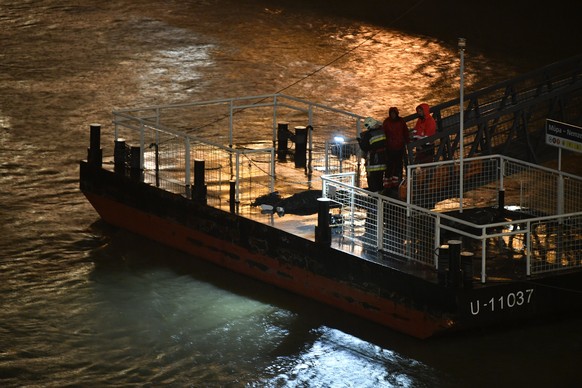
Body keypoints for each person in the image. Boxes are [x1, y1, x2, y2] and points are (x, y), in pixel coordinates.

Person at [358, 117, 387, 193]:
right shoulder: (382, 131)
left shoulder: (368, 135)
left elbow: (365, 147)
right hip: (383, 159)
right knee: (380, 178)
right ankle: (380, 194)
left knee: (372, 180)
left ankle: (374, 196)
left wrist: (360, 142)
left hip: (373, 161)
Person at [382, 107, 410, 186]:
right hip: (390, 147)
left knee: (398, 164)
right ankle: (388, 183)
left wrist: (407, 141)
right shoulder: (387, 122)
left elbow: (405, 132)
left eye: (394, 113)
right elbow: (384, 133)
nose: (393, 115)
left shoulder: (400, 121)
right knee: (389, 165)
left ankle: (396, 182)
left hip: (399, 146)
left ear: (396, 114)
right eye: (391, 113)